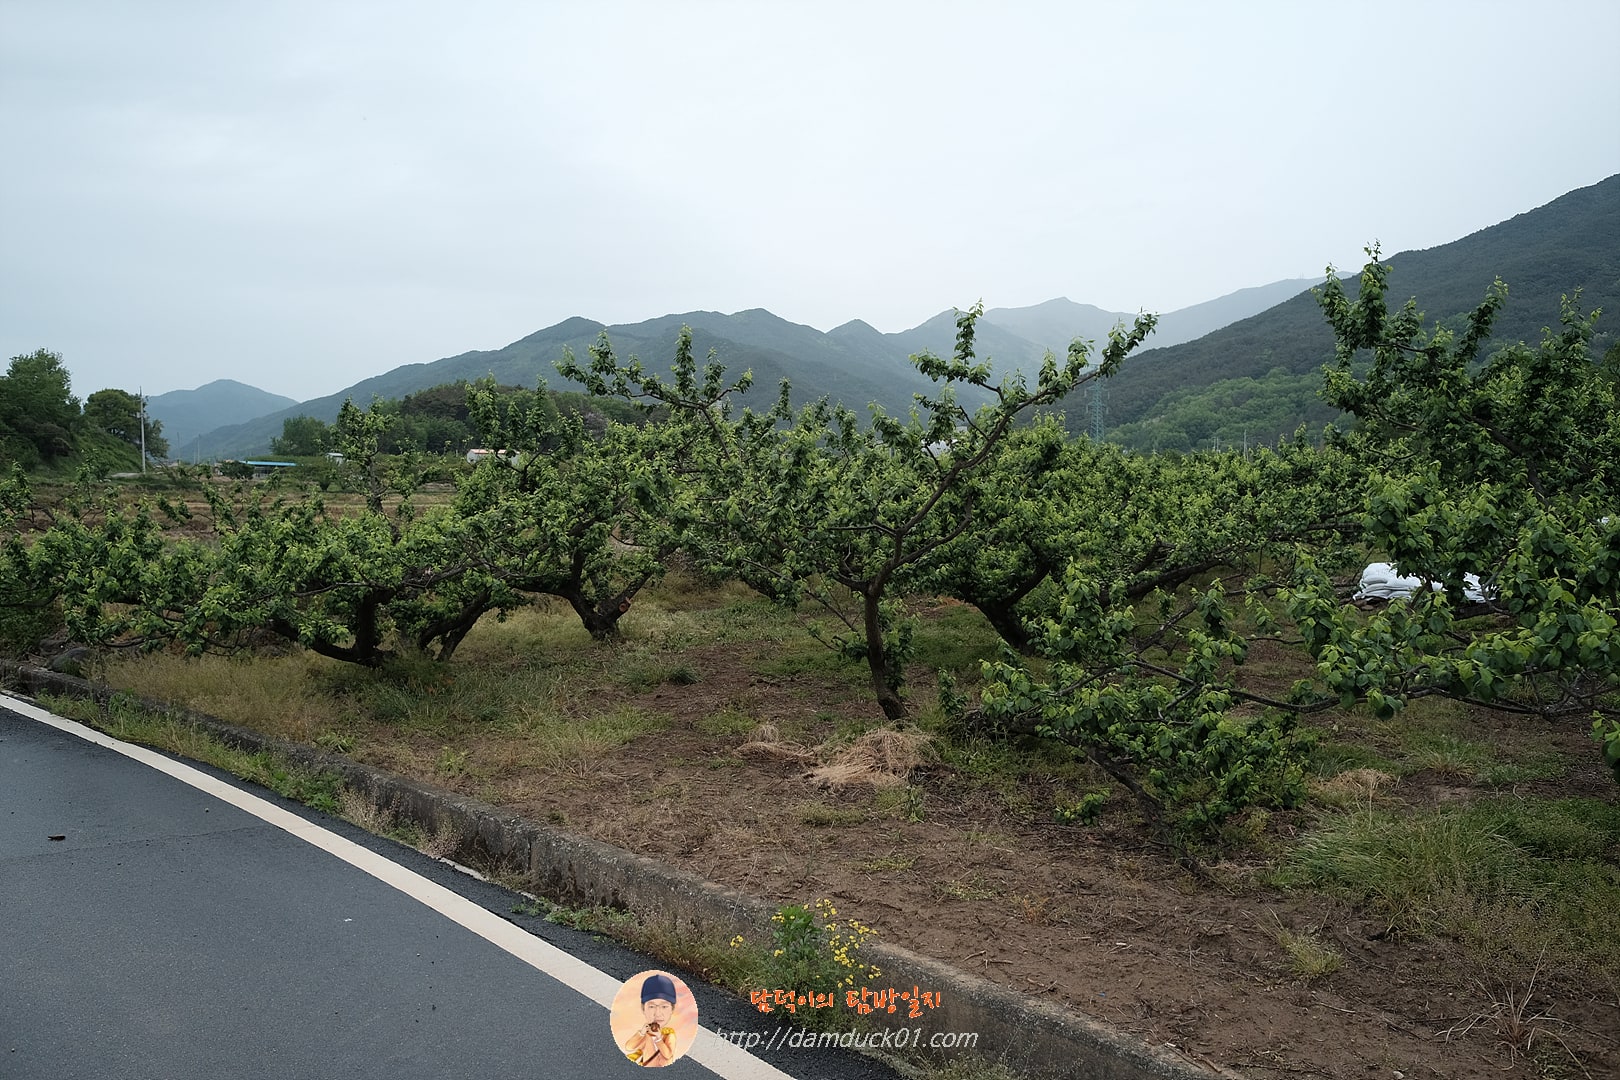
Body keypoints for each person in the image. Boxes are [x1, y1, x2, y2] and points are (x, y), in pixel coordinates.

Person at [624, 972, 680, 1067]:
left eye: (664, 1007)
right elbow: (629, 1047)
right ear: (643, 1009)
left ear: (672, 1009)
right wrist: (641, 1033)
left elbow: (667, 1055)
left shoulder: (669, 1035)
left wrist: (659, 1039)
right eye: (651, 1007)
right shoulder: (647, 1034)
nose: (657, 1013)